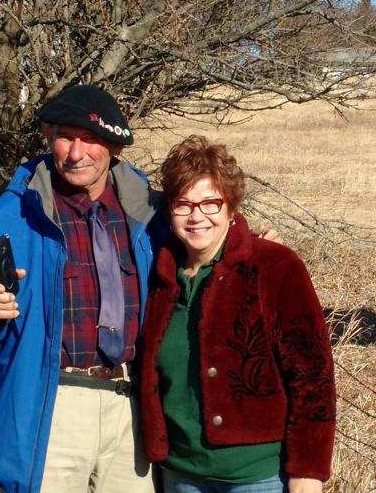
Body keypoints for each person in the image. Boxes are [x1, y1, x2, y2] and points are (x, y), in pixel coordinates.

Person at [0, 85, 160, 492]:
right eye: (66, 136)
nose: (76, 152)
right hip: (51, 406)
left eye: (91, 140)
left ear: (114, 147)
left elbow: (203, 246)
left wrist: (249, 240)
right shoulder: (11, 216)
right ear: (49, 138)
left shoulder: (148, 213)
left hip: (132, 408)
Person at [138, 135, 336, 493]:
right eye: (184, 204)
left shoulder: (274, 266)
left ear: (231, 207)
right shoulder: (159, 275)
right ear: (170, 211)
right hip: (181, 474)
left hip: (258, 478)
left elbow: (313, 376)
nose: (197, 216)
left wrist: (308, 472)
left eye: (211, 203)